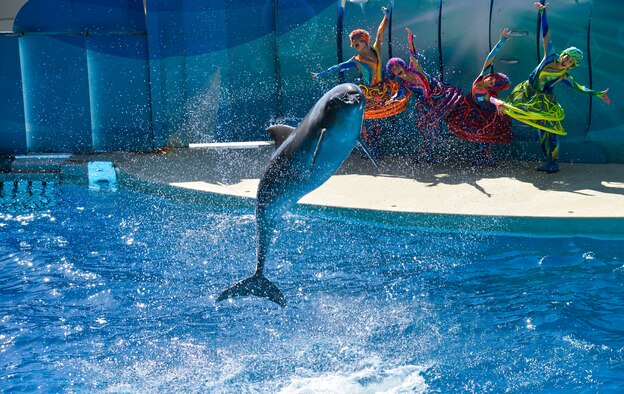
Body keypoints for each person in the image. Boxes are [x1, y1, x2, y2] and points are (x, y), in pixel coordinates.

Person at [496, 1, 611, 173]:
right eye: (568, 57)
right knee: (518, 116)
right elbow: (546, 35)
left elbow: (579, 87)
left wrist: (597, 94)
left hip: (545, 101)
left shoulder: (564, 75)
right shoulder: (550, 56)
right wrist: (543, 13)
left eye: (571, 61)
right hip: (527, 93)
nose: (567, 61)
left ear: (572, 65)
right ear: (564, 54)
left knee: (548, 132)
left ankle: (552, 162)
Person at [313, 4, 407, 158]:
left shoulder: (376, 49)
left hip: (382, 88)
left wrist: (386, 16)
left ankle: (380, 146)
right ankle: (370, 148)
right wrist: (322, 74)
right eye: (353, 42)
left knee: (384, 116)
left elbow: (379, 33)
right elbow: (339, 67)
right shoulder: (356, 59)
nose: (355, 44)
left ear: (365, 41)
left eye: (358, 41)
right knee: (367, 121)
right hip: (368, 92)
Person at [385, 28, 462, 162]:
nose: (395, 69)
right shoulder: (404, 83)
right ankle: (425, 153)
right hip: (426, 103)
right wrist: (391, 99)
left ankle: (435, 151)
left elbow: (413, 54)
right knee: (423, 127)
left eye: (397, 66)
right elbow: (399, 93)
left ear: (402, 66)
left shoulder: (414, 68)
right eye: (393, 69)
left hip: (438, 95)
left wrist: (410, 38)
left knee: (448, 121)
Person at [444, 28, 514, 166]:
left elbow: (493, 100)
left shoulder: (489, 93)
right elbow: (490, 57)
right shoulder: (483, 76)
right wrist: (502, 41)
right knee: (474, 134)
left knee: (485, 135)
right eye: (492, 78)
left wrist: (499, 103)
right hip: (469, 107)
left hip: (485, 113)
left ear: (493, 87)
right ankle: (481, 156)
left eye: (492, 82)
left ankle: (485, 157)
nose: (489, 79)